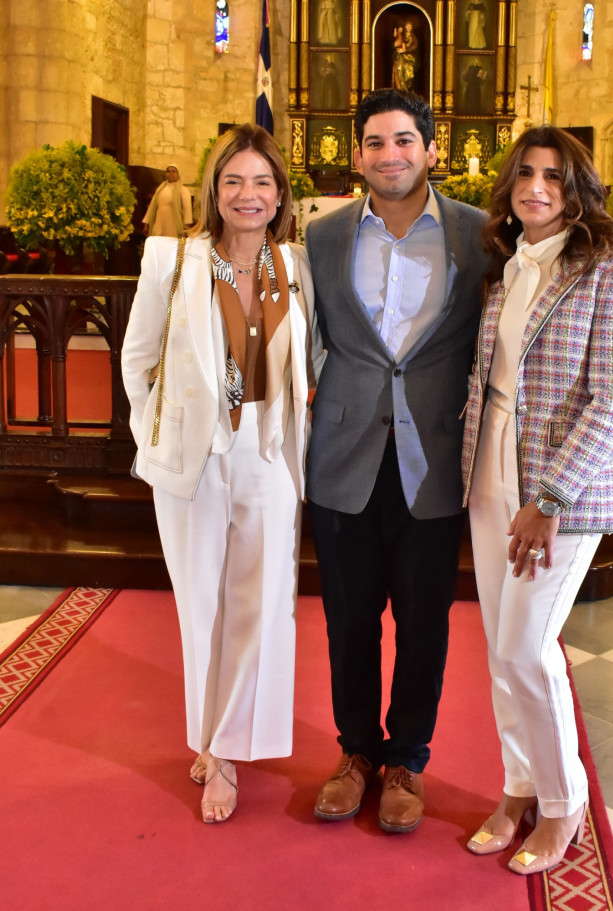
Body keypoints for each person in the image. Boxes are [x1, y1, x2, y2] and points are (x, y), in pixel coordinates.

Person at [122, 124, 323, 824]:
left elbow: (309, 357)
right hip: (195, 459)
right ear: (213, 189)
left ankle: (228, 750)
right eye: (234, 181)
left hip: (268, 455)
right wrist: (164, 429)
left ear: (279, 195)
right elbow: (135, 360)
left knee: (259, 607)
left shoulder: (293, 266)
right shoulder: (172, 260)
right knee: (200, 604)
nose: (248, 194)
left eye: (262, 182)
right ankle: (210, 738)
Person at [461, 126, 613, 873]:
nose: (537, 187)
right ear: (508, 188)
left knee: (526, 648)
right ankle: (517, 786)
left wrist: (549, 497)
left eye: (554, 176)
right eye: (525, 175)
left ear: (578, 188)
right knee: (500, 651)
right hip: (489, 473)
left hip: (558, 489)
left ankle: (563, 800)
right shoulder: (507, 270)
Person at [304, 88, 490, 833]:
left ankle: (406, 758)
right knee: (349, 619)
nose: (391, 156)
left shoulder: (482, 237)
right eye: (376, 143)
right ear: (357, 156)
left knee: (424, 621)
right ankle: (355, 754)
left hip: (434, 455)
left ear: (432, 149)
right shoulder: (322, 238)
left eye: (405, 141)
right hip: (343, 452)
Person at [141, 164, 193, 237]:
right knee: (158, 245)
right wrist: (146, 224)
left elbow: (187, 210)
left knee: (175, 246)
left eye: (173, 171)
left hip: (174, 227)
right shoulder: (160, 189)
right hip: (159, 224)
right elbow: (152, 207)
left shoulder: (183, 190)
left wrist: (186, 227)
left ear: (178, 174)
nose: (170, 173)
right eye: (168, 171)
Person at [391, 22, 420, 93]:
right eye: (407, 26)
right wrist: (396, 46)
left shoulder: (413, 37)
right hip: (401, 58)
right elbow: (397, 44)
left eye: (410, 26)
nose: (408, 27)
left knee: (409, 75)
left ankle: (407, 90)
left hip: (410, 59)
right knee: (399, 69)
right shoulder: (402, 36)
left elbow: (414, 46)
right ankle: (400, 89)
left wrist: (406, 49)